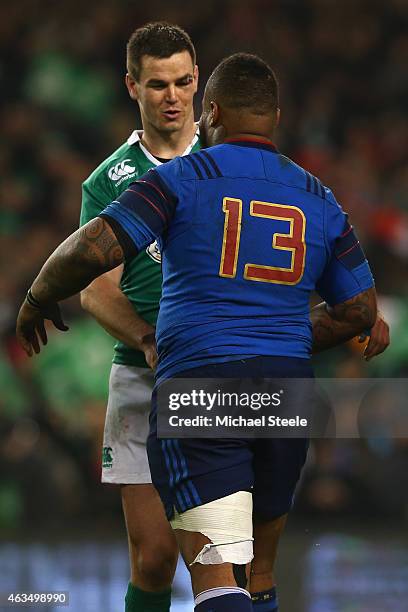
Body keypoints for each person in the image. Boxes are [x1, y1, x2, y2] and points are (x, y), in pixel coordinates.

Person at [16, 53, 389, 612]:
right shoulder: (319, 196)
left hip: (201, 383)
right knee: (258, 573)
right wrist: (284, 332)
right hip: (284, 394)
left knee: (214, 580)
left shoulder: (182, 179)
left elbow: (94, 248)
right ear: (276, 117)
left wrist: (39, 294)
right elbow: (361, 311)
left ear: (210, 111)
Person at [78, 22, 200, 612]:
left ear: (197, 80)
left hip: (221, 373)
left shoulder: (230, 156)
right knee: (155, 559)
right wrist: (152, 343)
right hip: (142, 373)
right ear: (132, 86)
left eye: (182, 82)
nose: (172, 97)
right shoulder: (109, 181)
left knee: (225, 557)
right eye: (157, 85)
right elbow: (96, 291)